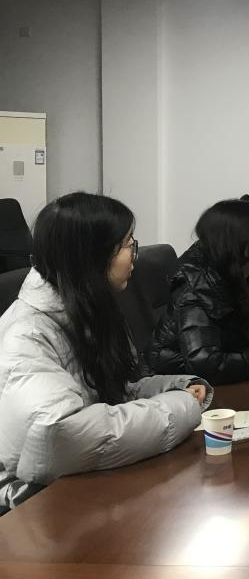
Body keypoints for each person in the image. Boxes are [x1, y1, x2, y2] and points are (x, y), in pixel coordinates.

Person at [0, 193, 211, 512]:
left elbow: (112, 396)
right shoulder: (25, 334)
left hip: (78, 485)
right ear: (91, 256)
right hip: (29, 508)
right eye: (127, 245)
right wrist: (180, 406)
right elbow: (59, 435)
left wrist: (176, 388)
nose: (134, 256)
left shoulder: (88, 309)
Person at [148, 199, 249, 384]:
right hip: (174, 387)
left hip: (218, 384)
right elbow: (205, 364)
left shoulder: (245, 275)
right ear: (239, 238)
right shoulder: (196, 286)